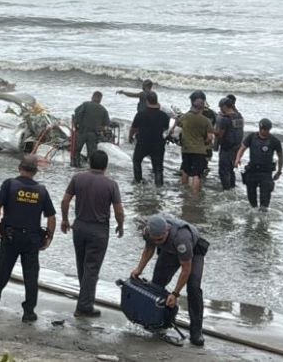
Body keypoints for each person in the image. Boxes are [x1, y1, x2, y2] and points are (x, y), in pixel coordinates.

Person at [0, 155, 56, 323]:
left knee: (3, 269)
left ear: (19, 168)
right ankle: (28, 311)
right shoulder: (42, 190)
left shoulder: (10, 184)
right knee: (31, 274)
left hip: (10, 235)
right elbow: (51, 216)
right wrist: (49, 237)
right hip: (31, 238)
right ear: (36, 171)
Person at [60, 149, 124, 318]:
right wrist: (120, 225)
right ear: (106, 166)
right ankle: (84, 307)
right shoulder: (111, 185)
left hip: (79, 227)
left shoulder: (78, 178)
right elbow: (118, 211)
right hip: (98, 230)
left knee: (82, 266)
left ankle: (84, 301)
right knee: (91, 269)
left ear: (89, 162)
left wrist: (65, 220)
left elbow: (65, 200)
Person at [130, 214, 208, 346]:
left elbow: (186, 269)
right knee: (156, 285)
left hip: (192, 252)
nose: (157, 242)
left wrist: (175, 293)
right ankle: (156, 322)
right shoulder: (148, 232)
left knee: (193, 288)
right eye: (155, 240)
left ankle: (196, 331)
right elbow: (149, 248)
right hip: (169, 251)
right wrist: (139, 269)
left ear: (166, 231)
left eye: (160, 239)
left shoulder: (181, 238)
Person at [234, 118, 283, 210]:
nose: (264, 131)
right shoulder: (252, 137)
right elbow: (242, 148)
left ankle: (263, 217)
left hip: (266, 172)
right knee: (251, 196)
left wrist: (279, 171)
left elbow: (280, 156)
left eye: (267, 130)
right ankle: (253, 212)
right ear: (260, 128)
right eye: (263, 129)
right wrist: (237, 159)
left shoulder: (274, 141)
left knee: (265, 198)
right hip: (252, 170)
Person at [128, 91, 170, 186]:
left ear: (147, 101)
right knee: (158, 167)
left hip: (142, 142)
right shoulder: (164, 116)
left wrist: (130, 138)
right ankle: (159, 187)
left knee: (137, 161)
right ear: (157, 101)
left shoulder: (140, 114)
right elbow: (166, 129)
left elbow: (133, 129)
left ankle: (138, 182)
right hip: (158, 144)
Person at [176, 92, 213, 194]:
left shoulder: (186, 116)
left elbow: (178, 123)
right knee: (197, 174)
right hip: (199, 151)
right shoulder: (206, 121)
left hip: (186, 149)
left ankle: (183, 190)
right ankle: (194, 194)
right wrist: (204, 141)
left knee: (186, 171)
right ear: (202, 108)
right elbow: (210, 138)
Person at [72, 92, 110, 168]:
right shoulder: (103, 110)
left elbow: (76, 111)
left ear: (92, 97)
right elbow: (106, 124)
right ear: (100, 99)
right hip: (93, 134)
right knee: (92, 154)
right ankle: (92, 169)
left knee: (76, 151)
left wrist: (77, 124)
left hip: (81, 132)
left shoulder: (85, 104)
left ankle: (76, 166)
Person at [214, 97, 244, 190]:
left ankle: (226, 190)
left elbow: (219, 135)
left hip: (227, 148)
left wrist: (211, 130)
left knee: (223, 171)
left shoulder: (225, 119)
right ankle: (232, 187)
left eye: (220, 107)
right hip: (237, 147)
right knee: (231, 170)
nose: (220, 109)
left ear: (224, 106)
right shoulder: (239, 115)